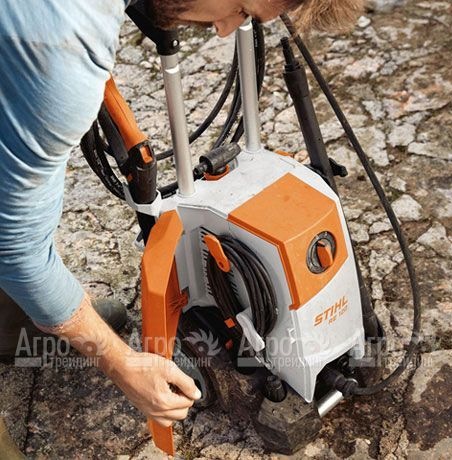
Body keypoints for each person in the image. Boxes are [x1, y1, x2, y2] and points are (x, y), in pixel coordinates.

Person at [0, 0, 364, 434]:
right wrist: (122, 363)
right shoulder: (63, 60)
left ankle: (11, 318)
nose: (224, 31)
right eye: (241, 8)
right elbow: (15, 248)